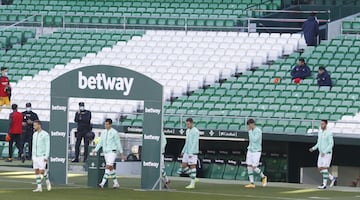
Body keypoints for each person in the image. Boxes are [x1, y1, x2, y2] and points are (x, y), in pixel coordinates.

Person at [93, 118, 126, 189]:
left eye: (107, 124)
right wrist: (95, 150)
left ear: (110, 124)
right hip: (105, 152)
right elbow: (100, 142)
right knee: (110, 168)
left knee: (108, 166)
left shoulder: (114, 132)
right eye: (105, 124)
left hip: (112, 151)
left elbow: (118, 143)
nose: (106, 125)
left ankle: (102, 183)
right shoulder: (103, 132)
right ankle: (116, 183)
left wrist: (121, 153)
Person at [309, 120, 336, 189]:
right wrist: (313, 148)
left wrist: (325, 151)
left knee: (324, 167)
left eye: (323, 124)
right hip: (321, 152)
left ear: (326, 124)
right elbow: (319, 142)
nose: (321, 125)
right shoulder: (320, 131)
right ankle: (332, 178)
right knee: (320, 168)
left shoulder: (329, 133)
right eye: (321, 124)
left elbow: (331, 144)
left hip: (327, 153)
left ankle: (324, 184)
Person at [177, 118, 199, 189]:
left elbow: (195, 142)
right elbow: (187, 142)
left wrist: (191, 152)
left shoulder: (195, 131)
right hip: (187, 151)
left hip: (193, 152)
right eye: (186, 124)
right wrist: (183, 150)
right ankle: (194, 177)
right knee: (184, 165)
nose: (187, 125)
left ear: (192, 123)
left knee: (192, 166)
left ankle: (192, 183)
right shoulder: (187, 131)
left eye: (188, 124)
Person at [245, 119, 267, 188]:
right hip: (250, 150)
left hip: (256, 151)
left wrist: (250, 132)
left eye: (249, 125)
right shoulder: (251, 131)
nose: (249, 127)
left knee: (254, 167)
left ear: (252, 124)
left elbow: (254, 140)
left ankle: (263, 177)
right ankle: (252, 183)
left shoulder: (258, 131)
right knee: (249, 166)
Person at [32, 120, 51, 192]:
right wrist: (33, 155)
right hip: (35, 156)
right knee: (36, 171)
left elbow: (47, 146)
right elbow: (33, 145)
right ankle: (39, 187)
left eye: (35, 125)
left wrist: (46, 156)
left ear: (39, 125)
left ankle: (47, 180)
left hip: (42, 156)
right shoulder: (34, 134)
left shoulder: (45, 134)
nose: (34, 126)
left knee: (42, 171)